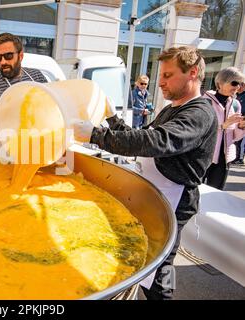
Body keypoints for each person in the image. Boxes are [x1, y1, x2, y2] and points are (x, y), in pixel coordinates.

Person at [73, 46, 217, 300]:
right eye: (161, 75)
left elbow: (156, 141)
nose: (160, 82)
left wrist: (96, 136)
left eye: (168, 75)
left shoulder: (199, 113)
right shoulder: (172, 108)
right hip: (156, 193)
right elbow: (136, 136)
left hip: (175, 199)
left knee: (162, 269)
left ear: (193, 73)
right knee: (158, 263)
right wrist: (111, 117)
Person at [0, 33, 47, 125]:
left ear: (20, 56)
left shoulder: (36, 75)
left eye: (8, 56)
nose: (3, 62)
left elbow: (51, 101)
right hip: (9, 137)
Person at [202, 67, 245, 189]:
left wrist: (241, 127)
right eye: (234, 83)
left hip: (225, 158)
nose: (237, 87)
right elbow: (199, 130)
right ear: (220, 83)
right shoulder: (205, 101)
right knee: (195, 192)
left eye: (240, 84)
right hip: (205, 155)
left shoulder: (236, 104)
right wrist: (223, 125)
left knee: (215, 194)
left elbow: (236, 137)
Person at [232, 82, 245, 164]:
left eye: (240, 85)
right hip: (236, 121)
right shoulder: (237, 96)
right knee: (236, 140)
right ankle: (236, 157)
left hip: (242, 121)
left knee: (240, 141)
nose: (238, 87)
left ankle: (239, 158)